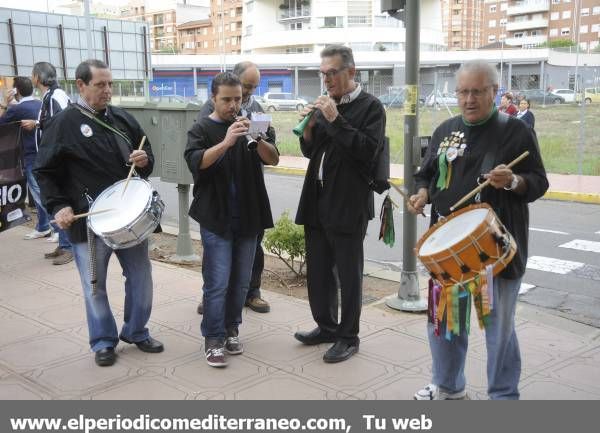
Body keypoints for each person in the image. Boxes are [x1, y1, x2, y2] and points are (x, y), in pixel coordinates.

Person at [407, 60, 548, 400]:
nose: (469, 99)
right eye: (463, 91)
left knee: (497, 327)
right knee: (445, 322)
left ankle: (502, 396)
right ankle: (449, 386)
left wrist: (512, 180)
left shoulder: (515, 131)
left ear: (494, 92)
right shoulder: (445, 130)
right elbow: (424, 172)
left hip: (494, 248)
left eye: (478, 91)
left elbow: (539, 182)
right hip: (448, 250)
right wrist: (423, 191)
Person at [34, 59, 164, 367]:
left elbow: (147, 159)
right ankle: (104, 341)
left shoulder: (122, 118)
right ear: (81, 85)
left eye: (110, 84)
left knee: (141, 277)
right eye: (100, 85)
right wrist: (59, 206)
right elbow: (44, 170)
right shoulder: (63, 123)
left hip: (127, 217)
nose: (107, 91)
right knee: (95, 285)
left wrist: (145, 160)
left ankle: (136, 331)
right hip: (89, 220)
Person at [293, 45, 385, 363]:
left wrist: (335, 120)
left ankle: (349, 336)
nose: (327, 80)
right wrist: (309, 130)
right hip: (317, 199)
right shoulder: (325, 105)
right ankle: (326, 326)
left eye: (332, 73)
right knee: (318, 271)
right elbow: (312, 152)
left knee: (348, 274)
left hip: (348, 203)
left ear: (351, 71)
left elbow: (366, 151)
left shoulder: (371, 108)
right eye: (323, 74)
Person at [184, 72, 279, 368]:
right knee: (217, 283)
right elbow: (196, 163)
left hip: (249, 214)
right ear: (213, 98)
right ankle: (213, 338)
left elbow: (273, 158)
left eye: (237, 99)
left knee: (240, 283)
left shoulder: (256, 121)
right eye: (226, 99)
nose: (232, 105)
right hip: (216, 216)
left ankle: (231, 329)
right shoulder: (201, 127)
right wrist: (226, 142)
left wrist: (257, 138)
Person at [195, 61, 273, 315]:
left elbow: (270, 151)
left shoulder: (257, 108)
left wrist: (260, 138)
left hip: (250, 188)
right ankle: (212, 297)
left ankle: (252, 291)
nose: (249, 92)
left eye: (251, 88)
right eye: (247, 86)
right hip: (219, 194)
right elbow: (200, 152)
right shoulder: (210, 109)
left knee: (252, 244)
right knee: (216, 251)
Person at [21, 61, 73, 265]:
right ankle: (63, 244)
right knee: (55, 201)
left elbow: (57, 125)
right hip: (55, 159)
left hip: (55, 161)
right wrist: (37, 123)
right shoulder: (53, 95)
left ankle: (68, 246)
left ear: (37, 77)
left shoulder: (53, 97)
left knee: (57, 201)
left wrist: (37, 124)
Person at [0, 77, 46, 239]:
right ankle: (43, 227)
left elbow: (2, 122)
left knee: (39, 195)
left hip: (29, 157)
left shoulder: (17, 109)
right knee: (39, 192)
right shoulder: (40, 103)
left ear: (16, 90)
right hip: (43, 153)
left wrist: (5, 103)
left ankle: (55, 229)